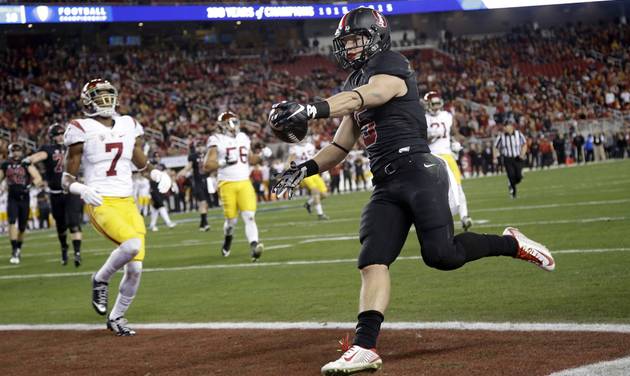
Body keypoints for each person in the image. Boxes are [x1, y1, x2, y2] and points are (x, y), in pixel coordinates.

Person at [268, 8, 555, 375]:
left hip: (419, 170)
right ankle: (365, 346)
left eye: (357, 39)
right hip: (385, 182)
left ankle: (511, 243)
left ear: (376, 37)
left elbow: (369, 95)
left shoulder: (391, 63)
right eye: (348, 42)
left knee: (442, 256)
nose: (351, 47)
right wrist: (303, 169)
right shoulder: (353, 83)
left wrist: (311, 108)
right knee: (372, 261)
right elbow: (340, 147)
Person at [63, 78, 171, 336]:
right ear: (88, 101)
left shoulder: (128, 124)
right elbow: (66, 179)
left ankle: (117, 317)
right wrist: (81, 188)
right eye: (99, 95)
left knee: (135, 268)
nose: (105, 100)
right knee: (132, 245)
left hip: (127, 202)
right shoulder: (80, 127)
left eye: (107, 94)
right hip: (100, 200)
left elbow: (142, 164)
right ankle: (100, 279)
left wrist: (157, 175)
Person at [203, 111, 269, 261]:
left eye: (234, 122)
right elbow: (207, 165)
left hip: (244, 182)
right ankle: (228, 238)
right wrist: (223, 162)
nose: (233, 126)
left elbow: (250, 160)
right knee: (231, 221)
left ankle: (254, 245)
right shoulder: (216, 139)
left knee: (249, 217)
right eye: (229, 123)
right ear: (221, 126)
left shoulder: (243, 137)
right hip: (226, 183)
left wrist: (262, 155)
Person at [24, 124, 84, 266]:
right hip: (55, 193)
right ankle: (64, 248)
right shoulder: (48, 150)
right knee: (61, 226)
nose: (60, 136)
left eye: (62, 133)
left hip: (71, 190)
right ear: (52, 137)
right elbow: (28, 160)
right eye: (57, 134)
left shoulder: (73, 146)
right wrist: (37, 178)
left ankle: (77, 253)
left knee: (74, 223)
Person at [424, 91, 472, 231]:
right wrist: (430, 137)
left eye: (438, 103)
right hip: (431, 157)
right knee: (434, 191)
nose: (436, 106)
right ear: (428, 104)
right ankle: (434, 219)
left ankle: (464, 217)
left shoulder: (447, 116)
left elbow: (454, 132)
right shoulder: (424, 118)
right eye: (434, 104)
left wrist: (455, 142)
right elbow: (420, 139)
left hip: (447, 156)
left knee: (457, 187)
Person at [0, 143, 43, 264]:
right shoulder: (5, 164)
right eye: (14, 151)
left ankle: (18, 247)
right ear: (10, 152)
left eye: (18, 151)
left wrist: (34, 183)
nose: (16, 153)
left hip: (25, 197)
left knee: (22, 227)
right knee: (12, 221)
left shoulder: (26, 163)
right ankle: (14, 249)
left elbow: (38, 178)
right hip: (12, 196)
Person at [288, 136, 329, 220]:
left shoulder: (310, 146)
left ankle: (308, 204)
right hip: (303, 172)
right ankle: (320, 214)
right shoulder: (294, 148)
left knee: (324, 194)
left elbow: (316, 158)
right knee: (315, 191)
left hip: (314, 172)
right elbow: (290, 162)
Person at [178, 140, 211, 231]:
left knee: (205, 204)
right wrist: (182, 172)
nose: (200, 148)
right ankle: (206, 224)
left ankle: (202, 224)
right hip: (198, 182)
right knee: (203, 202)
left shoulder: (207, 155)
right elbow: (189, 167)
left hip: (206, 182)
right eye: (198, 146)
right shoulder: (193, 156)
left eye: (201, 146)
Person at [493, 123, 527, 199]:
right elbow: (495, 147)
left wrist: (522, 154)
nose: (505, 128)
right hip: (507, 159)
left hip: (517, 158)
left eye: (506, 126)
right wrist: (495, 157)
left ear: (511, 127)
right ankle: (513, 193)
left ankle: (511, 184)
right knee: (511, 176)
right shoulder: (501, 136)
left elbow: (524, 144)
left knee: (519, 176)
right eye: (504, 127)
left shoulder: (519, 134)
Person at [148, 154, 176, 232]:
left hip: (160, 187)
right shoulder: (151, 164)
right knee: (160, 205)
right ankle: (168, 222)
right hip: (153, 187)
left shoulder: (162, 165)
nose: (157, 158)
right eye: (156, 156)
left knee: (156, 207)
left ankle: (152, 225)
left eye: (159, 156)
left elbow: (167, 173)